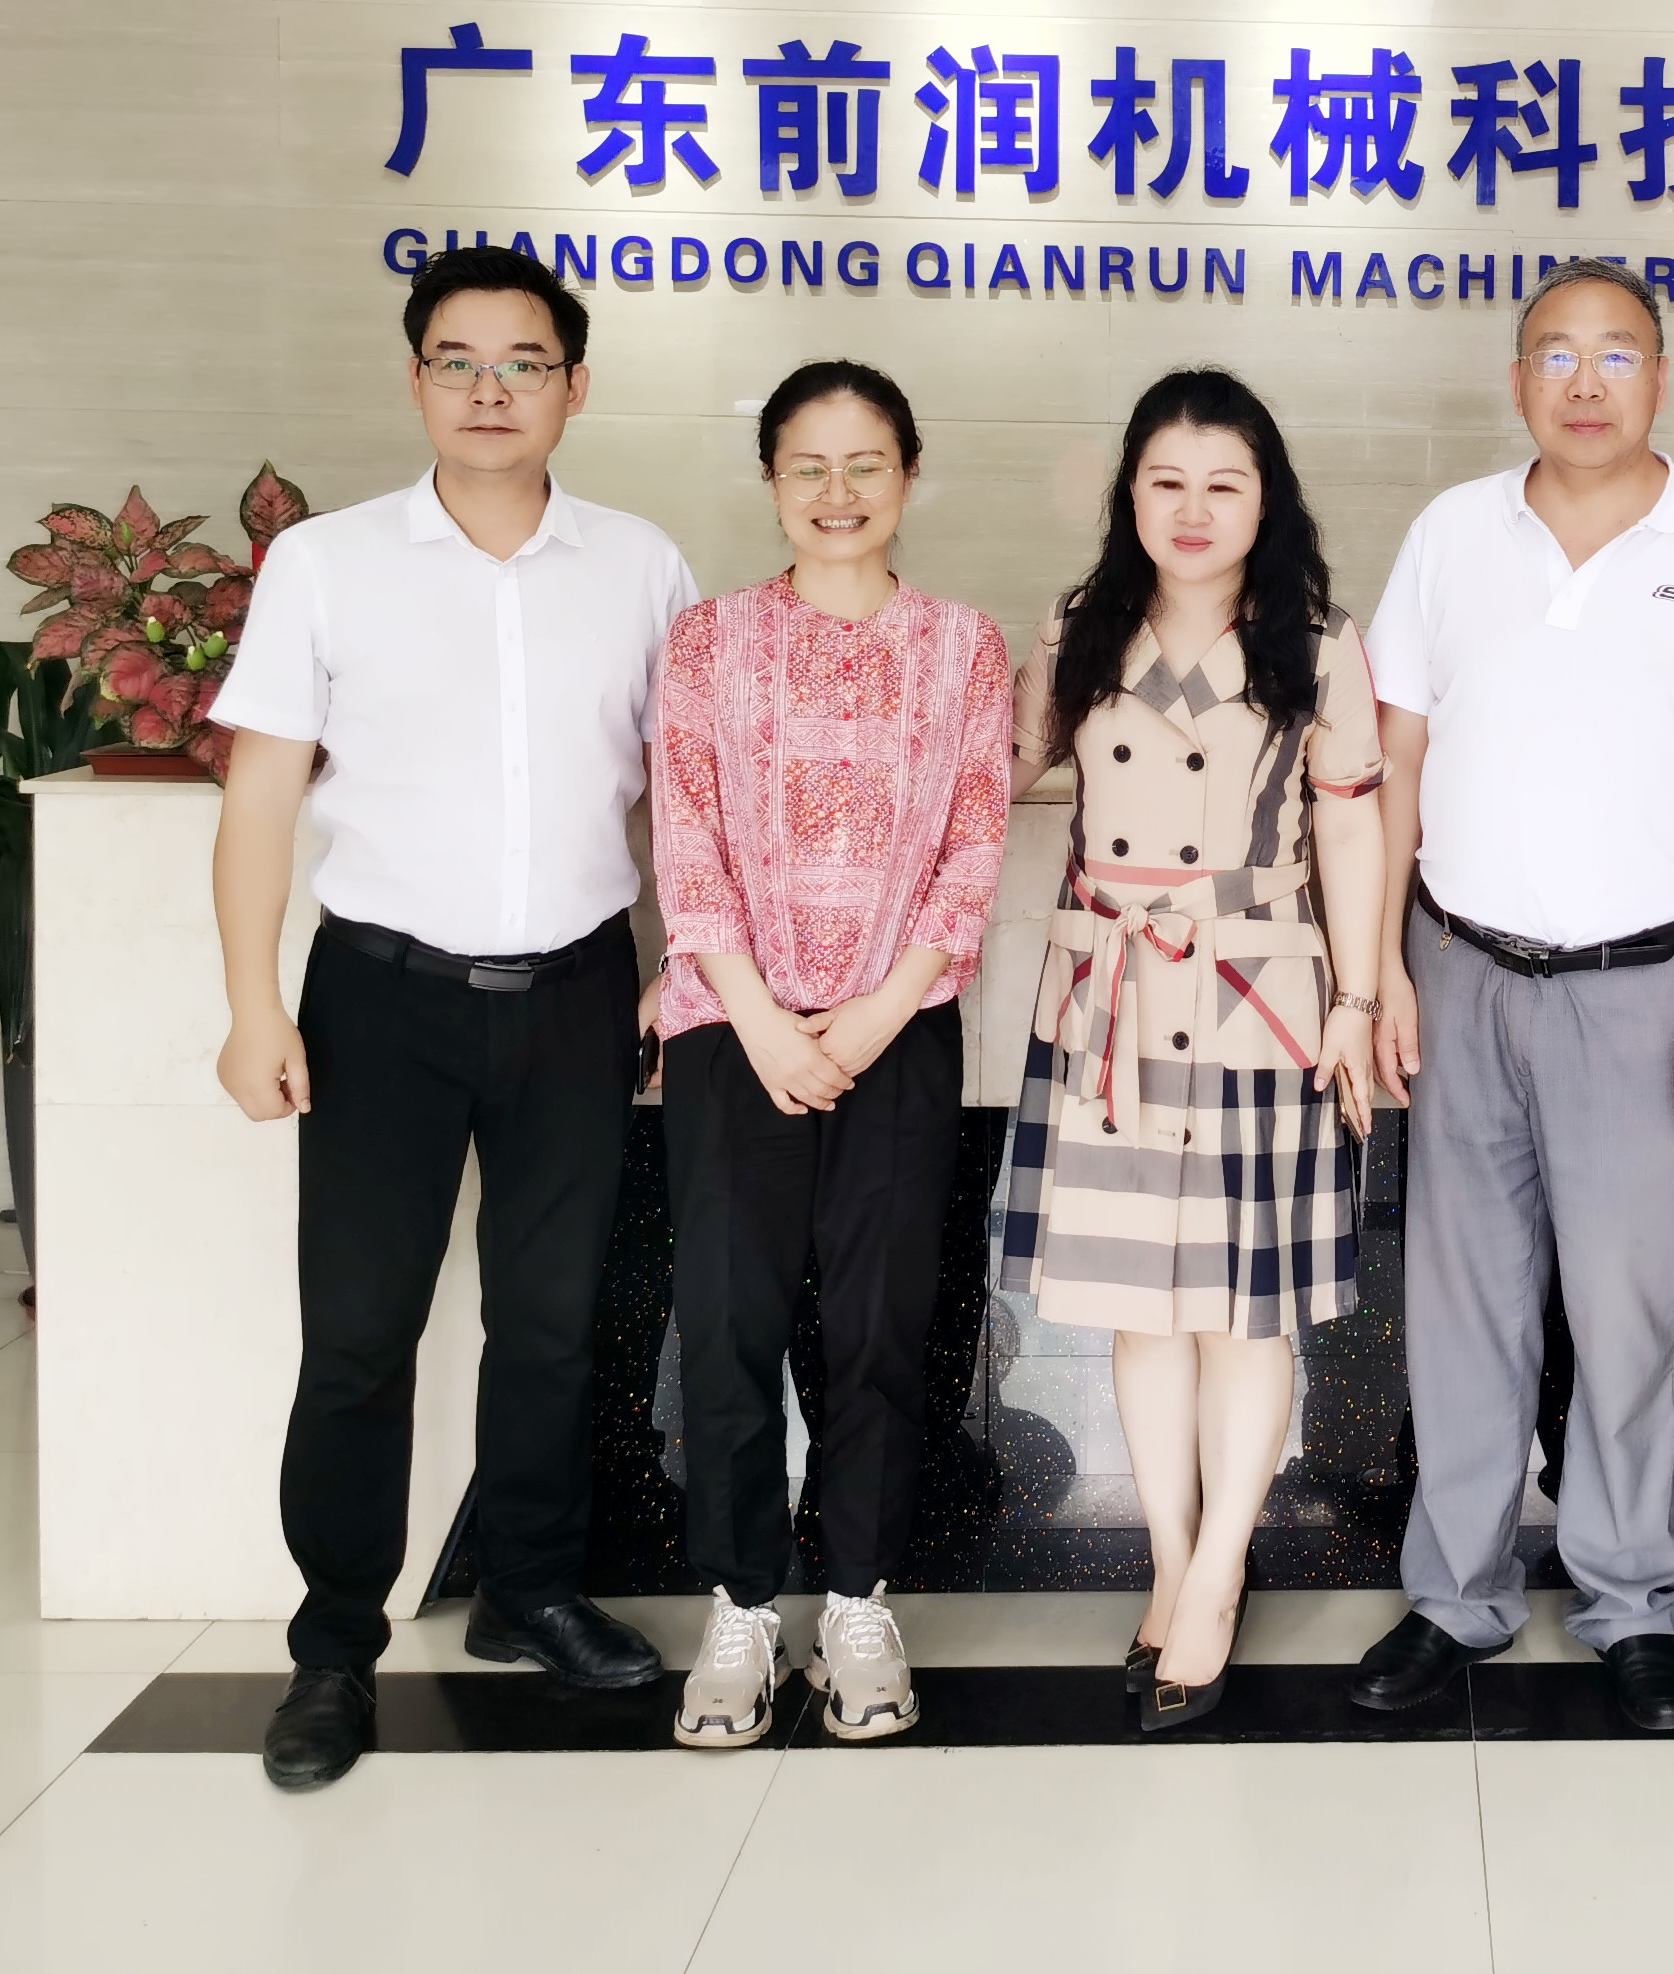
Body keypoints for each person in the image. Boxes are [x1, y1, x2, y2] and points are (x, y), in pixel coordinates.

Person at [210, 246, 699, 1792]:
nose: (492, 391)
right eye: (459, 362)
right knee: (360, 1335)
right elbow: (260, 798)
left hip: (575, 996)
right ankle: (333, 1649)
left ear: (576, 385)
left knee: (551, 1323)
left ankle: (528, 1591)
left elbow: (685, 800)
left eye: (525, 363)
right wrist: (249, 1005)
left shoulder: (641, 567)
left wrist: (681, 966)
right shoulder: (328, 563)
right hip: (381, 1000)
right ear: (415, 378)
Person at [1351, 259, 1674, 1736]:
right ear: (1517, 378)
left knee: (1630, 1311)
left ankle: (1630, 1599)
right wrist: (1381, 972)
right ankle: (1456, 1595)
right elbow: (1395, 765)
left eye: (1616, 354)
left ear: (1660, 377)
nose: (1586, 382)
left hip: (1645, 991)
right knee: (1461, 1307)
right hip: (1459, 972)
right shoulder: (1450, 533)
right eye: (1557, 354)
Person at [997, 369, 1388, 1735]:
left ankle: (1220, 1572)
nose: (1194, 508)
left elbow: (1351, 825)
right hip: (1109, 1002)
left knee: (1244, 1311)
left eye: (1225, 483)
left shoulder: (1319, 643)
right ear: (1130, 495)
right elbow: (995, 772)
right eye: (1166, 481)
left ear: (1267, 501)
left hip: (1257, 999)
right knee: (1142, 1308)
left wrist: (1359, 999)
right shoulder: (1078, 628)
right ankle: (1171, 1560)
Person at [651, 361, 1013, 1749]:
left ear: (909, 476)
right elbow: (686, 841)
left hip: (896, 1035)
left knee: (878, 1328)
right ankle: (742, 1605)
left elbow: (973, 845)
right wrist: (756, 1016)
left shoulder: (964, 646)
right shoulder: (707, 641)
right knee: (729, 1325)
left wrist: (875, 1013)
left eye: (867, 464)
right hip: (730, 1032)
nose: (838, 491)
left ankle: (860, 1598)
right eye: (808, 465)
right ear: (771, 482)